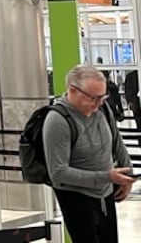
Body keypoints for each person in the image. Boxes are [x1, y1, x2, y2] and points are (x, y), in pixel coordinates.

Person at [42, 65, 134, 243]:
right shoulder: (57, 121)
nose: (100, 103)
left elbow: (116, 141)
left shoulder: (102, 109)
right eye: (94, 98)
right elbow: (58, 173)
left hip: (105, 194)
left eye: (103, 97)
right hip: (77, 199)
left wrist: (127, 175)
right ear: (72, 90)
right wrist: (107, 176)